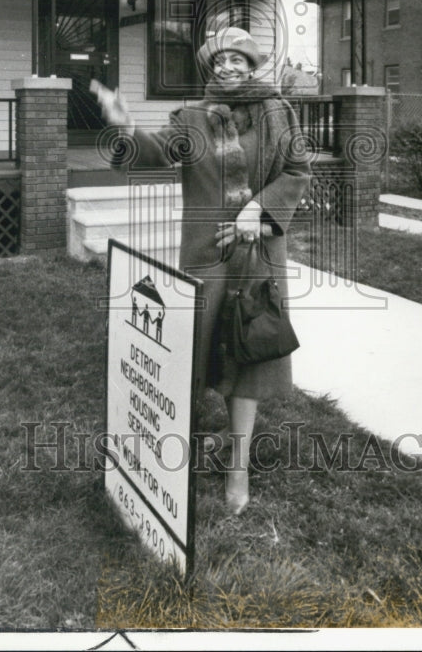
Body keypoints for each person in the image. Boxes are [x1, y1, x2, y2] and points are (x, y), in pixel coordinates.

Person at [92, 27, 311, 515]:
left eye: (239, 59)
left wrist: (259, 210)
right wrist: (126, 128)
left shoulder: (278, 112)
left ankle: (238, 467)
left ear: (253, 66)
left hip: (258, 258)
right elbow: (156, 154)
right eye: (220, 59)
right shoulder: (191, 116)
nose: (228, 66)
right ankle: (171, 456)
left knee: (249, 356)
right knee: (194, 354)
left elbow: (297, 171)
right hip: (206, 254)